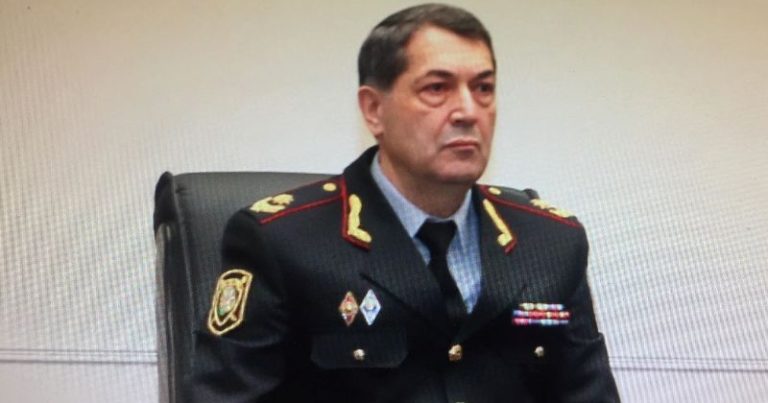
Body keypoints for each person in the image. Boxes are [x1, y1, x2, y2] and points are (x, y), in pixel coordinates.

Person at [187, 3, 620, 402]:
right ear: (374, 110)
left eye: (483, 88)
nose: (468, 111)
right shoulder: (283, 242)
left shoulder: (551, 243)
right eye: (437, 88)